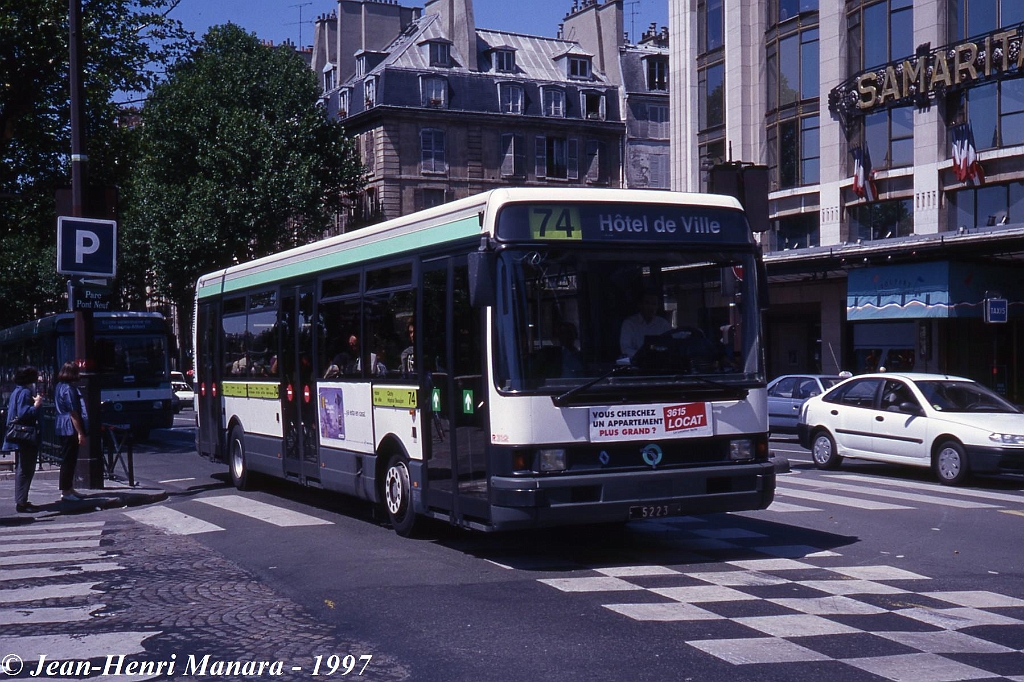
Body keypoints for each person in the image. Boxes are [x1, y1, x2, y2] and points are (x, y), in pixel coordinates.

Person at [3, 366, 43, 513]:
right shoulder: (25, 392)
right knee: (26, 469)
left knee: (23, 468)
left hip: (20, 436)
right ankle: (22, 502)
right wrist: (37, 405)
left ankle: (22, 500)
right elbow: (24, 413)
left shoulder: (16, 391)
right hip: (26, 436)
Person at [54, 361, 88, 502]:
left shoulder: (59, 386)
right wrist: (80, 432)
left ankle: (69, 488)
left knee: (69, 458)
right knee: (69, 459)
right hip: (69, 425)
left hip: (62, 423)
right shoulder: (69, 389)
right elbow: (73, 412)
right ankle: (66, 491)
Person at [620, 290, 671, 359]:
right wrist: (643, 356)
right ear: (640, 305)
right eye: (647, 303)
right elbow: (625, 349)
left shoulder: (663, 323)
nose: (651, 307)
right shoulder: (629, 323)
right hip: (636, 364)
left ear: (657, 306)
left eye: (654, 304)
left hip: (659, 362)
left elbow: (669, 345)